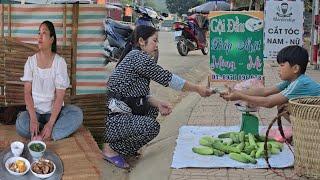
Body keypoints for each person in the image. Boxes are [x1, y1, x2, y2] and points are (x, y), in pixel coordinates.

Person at [102, 25, 215, 169]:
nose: (156, 45)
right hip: (108, 120)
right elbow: (168, 78)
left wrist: (158, 103)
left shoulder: (135, 56)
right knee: (152, 128)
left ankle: (120, 146)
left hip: (118, 113)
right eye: (154, 40)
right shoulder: (138, 58)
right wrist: (198, 89)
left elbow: (138, 95)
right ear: (142, 41)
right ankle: (109, 149)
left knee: (152, 110)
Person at [16, 21, 83, 141]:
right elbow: (27, 93)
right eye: (39, 33)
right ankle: (47, 133)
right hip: (35, 112)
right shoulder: (30, 62)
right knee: (21, 122)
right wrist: (33, 119)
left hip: (53, 114)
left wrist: (51, 123)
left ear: (52, 39)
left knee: (77, 114)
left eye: (44, 33)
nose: (40, 36)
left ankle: (42, 133)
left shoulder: (59, 62)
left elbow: (60, 96)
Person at [221, 45, 320, 119]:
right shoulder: (291, 80)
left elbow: (269, 102)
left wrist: (240, 97)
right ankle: (299, 130)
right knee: (282, 105)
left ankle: (304, 132)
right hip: (314, 111)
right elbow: (265, 91)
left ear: (295, 68)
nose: (278, 69)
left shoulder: (300, 83)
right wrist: (236, 92)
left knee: (282, 105)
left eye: (282, 65)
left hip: (316, 114)